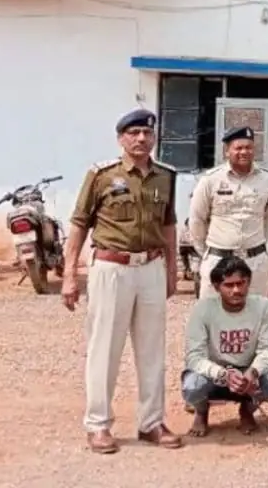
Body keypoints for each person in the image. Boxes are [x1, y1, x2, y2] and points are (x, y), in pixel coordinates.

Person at [60, 108, 181, 454]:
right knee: (104, 348)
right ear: (121, 138)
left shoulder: (165, 176)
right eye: (134, 133)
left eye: (147, 133)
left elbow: (169, 225)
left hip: (151, 267)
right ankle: (98, 424)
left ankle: (152, 422)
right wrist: (70, 274)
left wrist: (171, 269)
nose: (141, 139)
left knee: (152, 349)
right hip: (111, 267)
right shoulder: (101, 175)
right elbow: (79, 223)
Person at [181, 256, 268, 437]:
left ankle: (247, 410)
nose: (236, 290)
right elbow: (194, 357)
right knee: (192, 386)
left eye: (240, 283)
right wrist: (224, 375)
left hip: (248, 373)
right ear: (216, 287)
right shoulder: (203, 309)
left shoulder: (263, 306)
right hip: (215, 374)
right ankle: (201, 411)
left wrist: (253, 372)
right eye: (229, 285)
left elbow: (267, 350)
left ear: (248, 282)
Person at [188, 126, 268, 298]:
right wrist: (206, 252)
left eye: (248, 147)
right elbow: (197, 220)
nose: (244, 152)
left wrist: (255, 246)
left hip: (255, 262)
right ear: (227, 151)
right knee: (213, 310)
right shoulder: (210, 179)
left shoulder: (267, 179)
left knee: (255, 310)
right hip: (218, 260)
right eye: (238, 148)